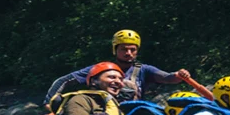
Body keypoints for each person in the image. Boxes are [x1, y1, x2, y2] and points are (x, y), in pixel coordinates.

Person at [43, 29, 192, 104]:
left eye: (132, 50)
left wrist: (179, 75)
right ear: (116, 50)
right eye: (124, 49)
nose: (128, 53)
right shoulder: (100, 69)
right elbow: (65, 80)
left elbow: (168, 78)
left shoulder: (144, 70)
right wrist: (50, 102)